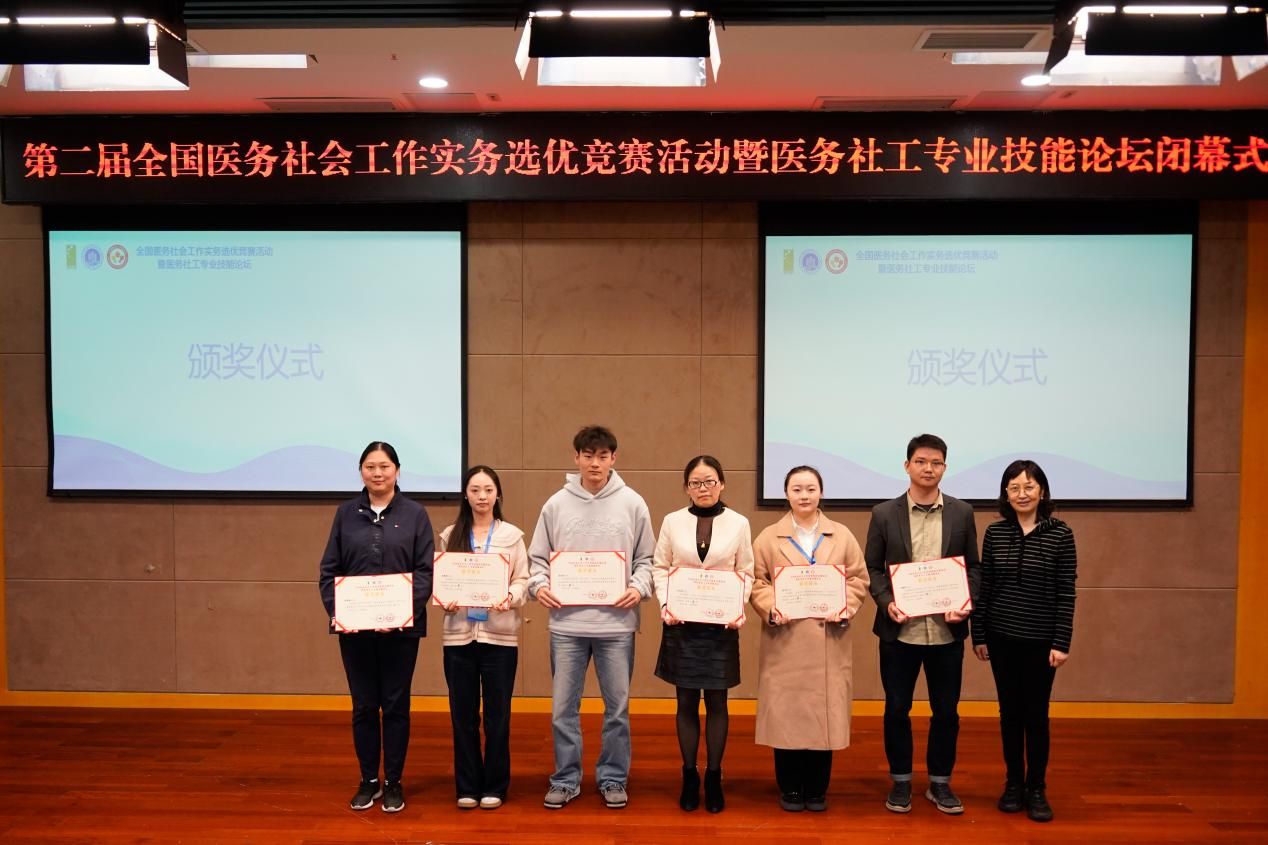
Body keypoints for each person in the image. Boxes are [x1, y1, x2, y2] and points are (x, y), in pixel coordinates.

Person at [526, 425, 655, 810]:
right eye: (588, 455)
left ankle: (613, 777)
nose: (595, 463)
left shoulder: (633, 503)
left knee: (617, 710)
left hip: (617, 626)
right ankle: (565, 779)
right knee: (563, 710)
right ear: (576, 458)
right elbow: (537, 560)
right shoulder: (555, 505)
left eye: (602, 456)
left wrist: (638, 587)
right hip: (566, 626)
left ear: (614, 458)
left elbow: (648, 560)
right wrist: (539, 586)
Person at [865, 433, 980, 815]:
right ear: (907, 465)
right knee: (897, 709)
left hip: (947, 632)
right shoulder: (884, 513)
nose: (928, 469)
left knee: (946, 712)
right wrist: (887, 602)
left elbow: (973, 567)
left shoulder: (962, 513)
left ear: (944, 467)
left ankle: (940, 782)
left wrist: (965, 603)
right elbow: (872, 568)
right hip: (900, 631)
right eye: (921, 461)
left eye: (936, 463)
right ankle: (900, 781)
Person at [318, 441, 434, 814]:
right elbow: (329, 571)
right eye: (370, 466)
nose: (378, 473)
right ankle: (368, 779)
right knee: (364, 706)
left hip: (401, 631)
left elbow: (425, 572)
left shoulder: (415, 514)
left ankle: (393, 781)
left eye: (384, 466)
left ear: (397, 470)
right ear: (361, 472)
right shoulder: (345, 514)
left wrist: (399, 614)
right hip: (355, 632)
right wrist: (341, 612)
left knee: (396, 705)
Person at [749, 465, 870, 812]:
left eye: (811, 489)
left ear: (821, 493)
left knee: (824, 714)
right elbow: (756, 581)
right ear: (786, 494)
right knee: (786, 714)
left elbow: (859, 579)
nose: (804, 495)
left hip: (829, 638)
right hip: (785, 639)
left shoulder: (842, 535)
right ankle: (789, 787)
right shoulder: (768, 537)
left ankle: (817, 789)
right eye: (797, 489)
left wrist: (843, 606)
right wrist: (773, 607)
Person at [972, 460, 1077, 823]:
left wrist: (1061, 641)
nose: (1022, 494)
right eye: (1014, 487)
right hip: (1000, 638)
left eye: (1029, 487)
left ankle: (1037, 788)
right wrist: (979, 634)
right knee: (1009, 714)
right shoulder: (995, 533)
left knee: (1036, 714)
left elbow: (1066, 593)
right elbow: (985, 588)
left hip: (1041, 641)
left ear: (1042, 491)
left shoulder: (1061, 534)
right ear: (1005, 493)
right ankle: (1013, 783)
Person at [652, 455, 754, 813]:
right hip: (681, 625)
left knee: (717, 702)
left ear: (722, 484)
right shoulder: (672, 521)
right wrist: (666, 604)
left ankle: (713, 775)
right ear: (686, 488)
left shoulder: (739, 523)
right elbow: (660, 567)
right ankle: (689, 775)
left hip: (720, 626)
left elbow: (746, 572)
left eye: (710, 481)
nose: (703, 488)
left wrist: (737, 607)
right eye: (696, 483)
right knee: (685, 702)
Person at [437, 465, 530, 810]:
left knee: (497, 716)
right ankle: (467, 786)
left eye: (488, 490)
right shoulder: (450, 535)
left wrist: (510, 596)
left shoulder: (512, 536)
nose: (481, 496)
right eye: (475, 490)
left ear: (497, 494)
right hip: (458, 638)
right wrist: (445, 599)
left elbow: (523, 580)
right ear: (465, 494)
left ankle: (495, 785)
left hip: (500, 638)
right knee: (462, 716)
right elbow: (442, 581)